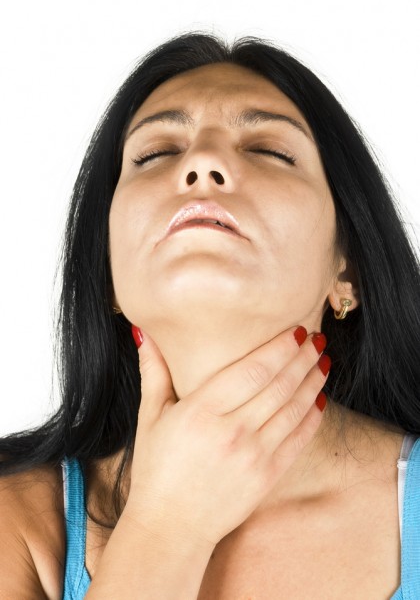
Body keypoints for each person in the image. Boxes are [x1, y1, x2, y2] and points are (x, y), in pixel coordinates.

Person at [0, 32, 419, 599]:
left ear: (349, 273)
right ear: (108, 274)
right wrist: (168, 525)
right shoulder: (18, 520)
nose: (203, 163)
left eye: (270, 150)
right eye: (155, 154)